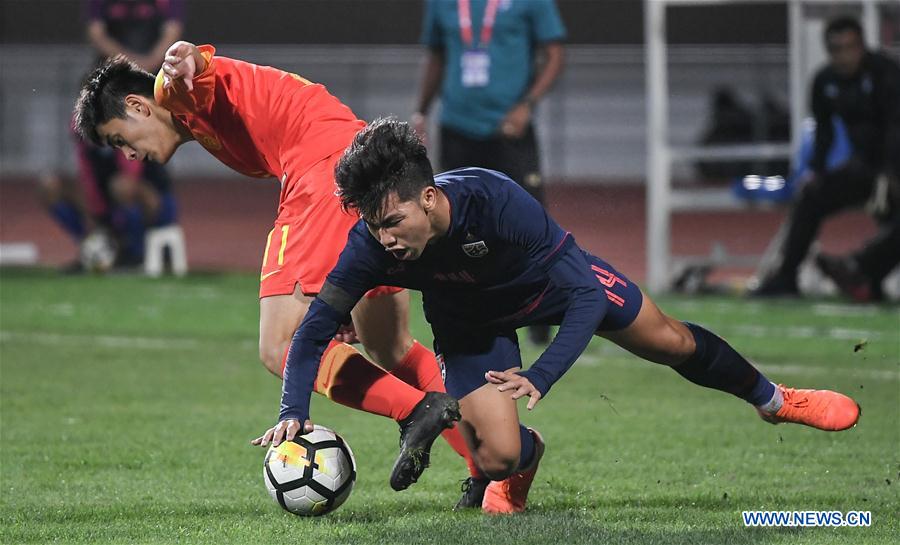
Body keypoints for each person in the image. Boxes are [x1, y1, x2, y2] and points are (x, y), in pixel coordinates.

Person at [257, 118, 861, 515]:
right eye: (372, 226)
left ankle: (774, 400)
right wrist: (291, 412)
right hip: (470, 324)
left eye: (393, 222)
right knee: (494, 458)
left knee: (672, 341)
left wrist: (541, 374)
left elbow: (586, 297)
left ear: (430, 197)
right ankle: (524, 463)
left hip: (551, 290)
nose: (384, 239)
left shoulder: (495, 199)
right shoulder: (370, 245)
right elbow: (314, 330)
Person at [72, 42, 484, 503]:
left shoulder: (174, 93)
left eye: (119, 139)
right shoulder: (195, 119)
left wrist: (185, 60)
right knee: (391, 347)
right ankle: (492, 466)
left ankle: (415, 411)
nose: (128, 155)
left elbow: (192, 73)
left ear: (137, 105)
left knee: (279, 346)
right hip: (360, 171)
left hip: (323, 177)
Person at [413, 0, 566, 343]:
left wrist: (527, 105)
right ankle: (463, 309)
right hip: (456, 127)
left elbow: (555, 55)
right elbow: (436, 56)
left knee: (530, 217)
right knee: (452, 223)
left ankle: (542, 309)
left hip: (510, 128)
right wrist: (421, 111)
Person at [750, 16, 900, 299]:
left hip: (893, 167)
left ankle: (863, 269)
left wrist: (891, 173)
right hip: (864, 168)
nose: (843, 56)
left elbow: (896, 126)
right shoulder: (824, 81)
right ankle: (787, 277)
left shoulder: (887, 73)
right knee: (811, 195)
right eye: (836, 49)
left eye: (849, 48)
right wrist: (815, 171)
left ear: (862, 46)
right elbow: (824, 133)